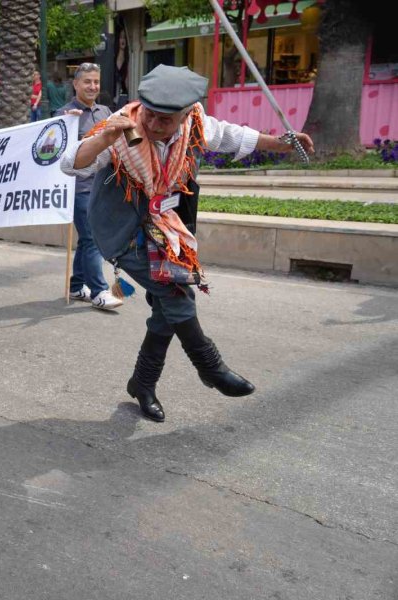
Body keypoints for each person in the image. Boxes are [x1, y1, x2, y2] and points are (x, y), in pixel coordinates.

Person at [61, 65, 314, 423]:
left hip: (162, 223)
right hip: (120, 229)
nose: (153, 124)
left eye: (166, 119)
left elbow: (229, 135)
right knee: (176, 291)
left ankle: (143, 383)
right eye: (149, 113)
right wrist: (103, 139)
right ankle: (210, 366)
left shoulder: (196, 122)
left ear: (186, 114)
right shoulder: (124, 123)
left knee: (167, 306)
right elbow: (70, 164)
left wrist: (279, 144)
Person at [58, 62, 121, 311]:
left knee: (86, 240)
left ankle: (76, 286)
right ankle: (99, 291)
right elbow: (55, 150)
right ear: (75, 84)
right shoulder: (64, 115)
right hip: (79, 189)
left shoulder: (105, 111)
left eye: (96, 81)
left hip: (102, 187)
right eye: (87, 82)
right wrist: (65, 126)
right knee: (93, 238)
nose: (93, 86)